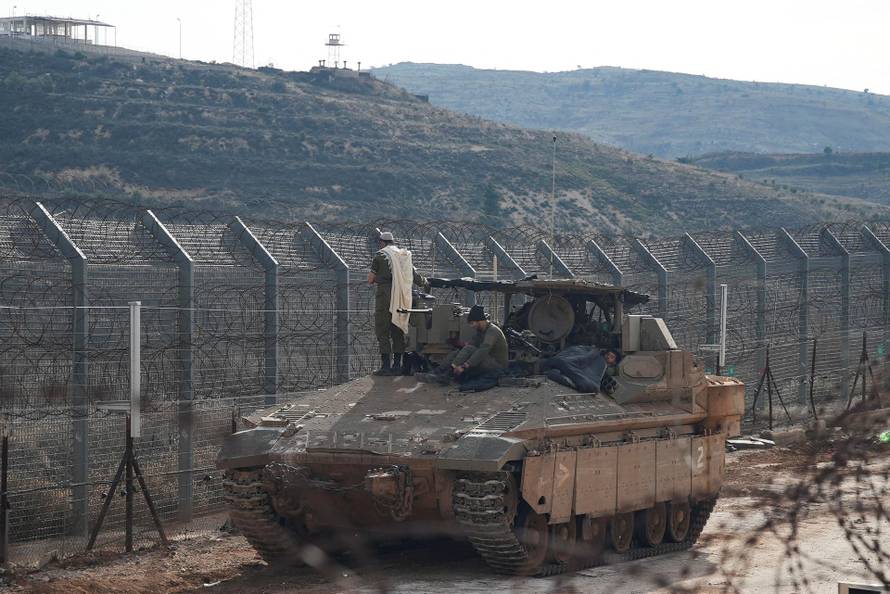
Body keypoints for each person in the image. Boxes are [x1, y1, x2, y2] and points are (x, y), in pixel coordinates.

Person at [368, 231, 428, 376]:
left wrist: (379, 279)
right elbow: (416, 277)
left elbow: (370, 279)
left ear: (382, 242)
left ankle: (386, 366)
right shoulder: (403, 256)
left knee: (382, 330)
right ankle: (397, 365)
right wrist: (426, 282)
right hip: (401, 297)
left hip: (384, 297)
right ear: (393, 242)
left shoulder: (380, 255)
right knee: (397, 329)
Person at [420, 304, 508, 385]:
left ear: (479, 321)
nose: (471, 326)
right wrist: (458, 343)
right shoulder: (481, 331)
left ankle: (449, 373)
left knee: (470, 349)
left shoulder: (492, 331)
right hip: (488, 361)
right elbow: (471, 344)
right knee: (456, 352)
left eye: (472, 323)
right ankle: (439, 371)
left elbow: (483, 350)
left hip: (497, 365)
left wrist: (464, 366)